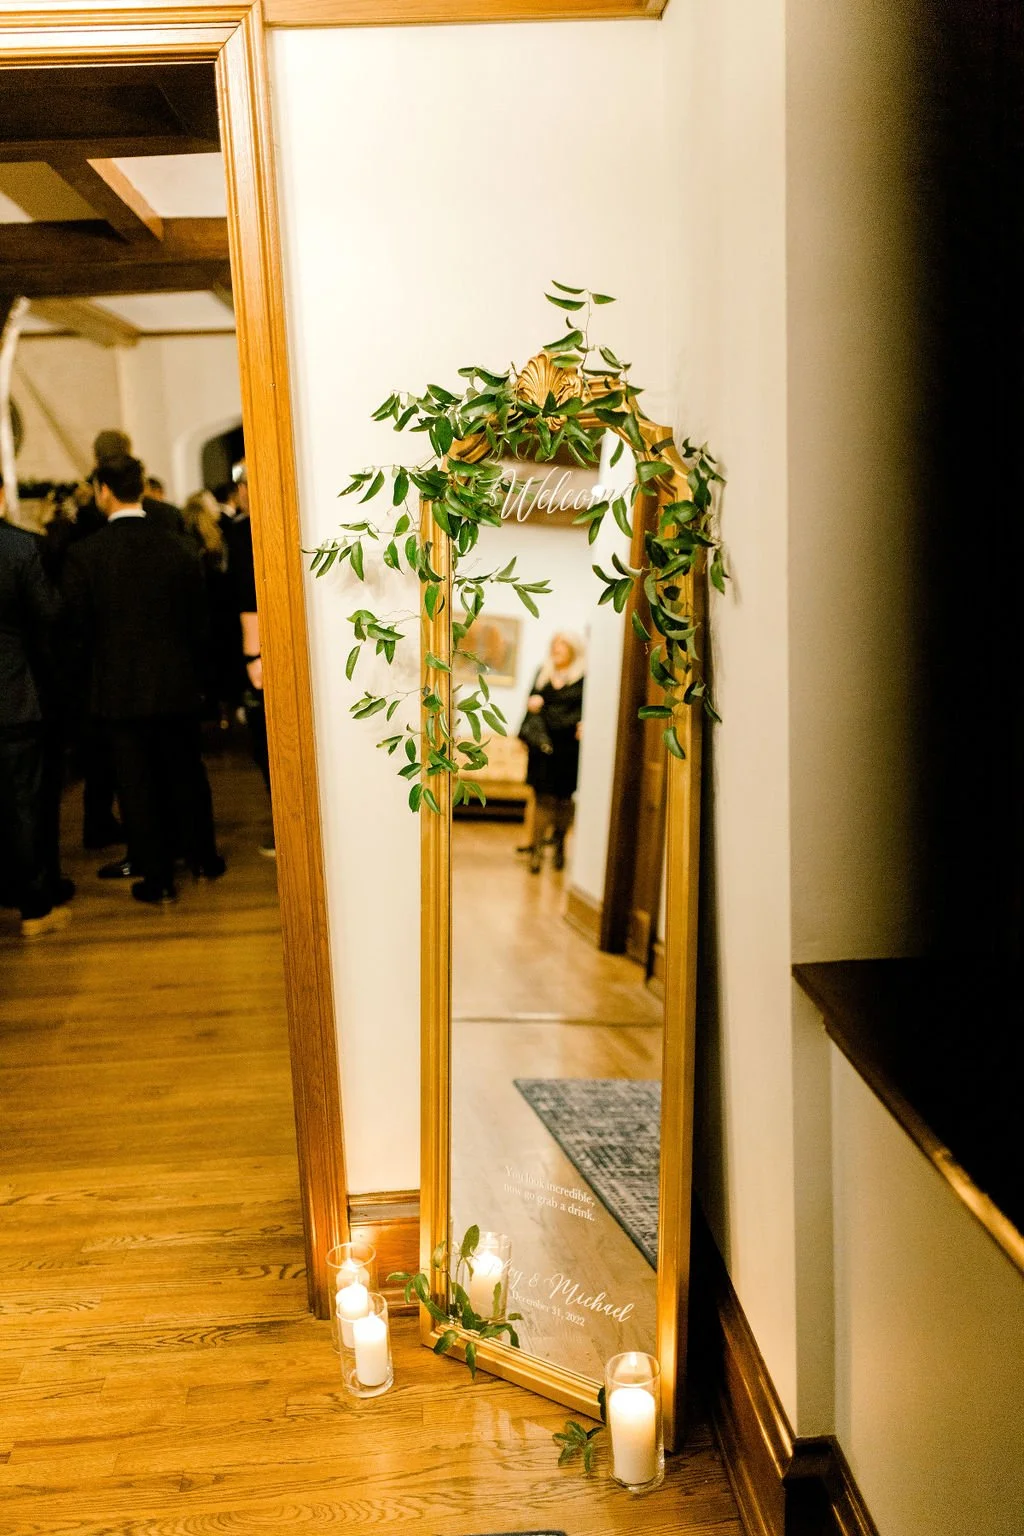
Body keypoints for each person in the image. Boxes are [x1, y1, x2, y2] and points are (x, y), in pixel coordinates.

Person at [62, 455, 225, 904]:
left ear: (104, 491)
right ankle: (203, 857)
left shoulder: (86, 555)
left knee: (136, 785)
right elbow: (200, 623)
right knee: (187, 773)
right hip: (177, 682)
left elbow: (77, 631)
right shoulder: (178, 547)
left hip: (119, 687)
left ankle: (158, 878)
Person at [0, 479, 69, 938]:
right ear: (2, 495)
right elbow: (50, 613)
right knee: (23, 803)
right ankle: (34, 909)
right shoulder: (20, 547)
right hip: (12, 693)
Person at [224, 459, 274, 856]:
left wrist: (252, 657)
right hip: (264, 645)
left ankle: (283, 825)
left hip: (260, 648)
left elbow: (247, 601)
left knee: (267, 741)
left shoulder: (246, 534)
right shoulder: (248, 530)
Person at [520, 632, 585, 874]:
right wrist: (531, 709)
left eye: (562, 645)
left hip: (569, 747)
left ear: (573, 650)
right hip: (543, 745)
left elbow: (586, 709)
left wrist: (586, 724)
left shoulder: (583, 678)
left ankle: (559, 844)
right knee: (541, 797)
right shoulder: (543, 673)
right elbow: (530, 704)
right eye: (554, 645)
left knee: (564, 799)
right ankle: (536, 850)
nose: (556, 649)